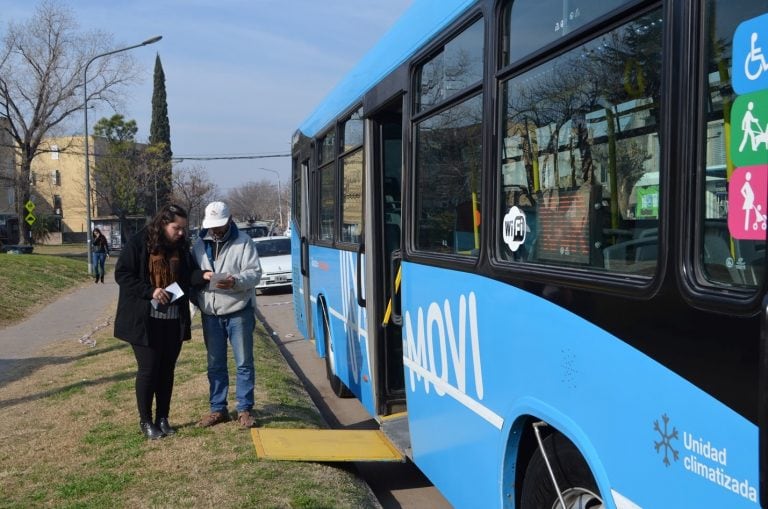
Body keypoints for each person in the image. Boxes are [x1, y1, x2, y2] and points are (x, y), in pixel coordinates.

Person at [114, 204, 204, 440]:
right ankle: (146, 422)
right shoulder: (138, 243)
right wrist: (150, 291)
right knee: (149, 370)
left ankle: (163, 418)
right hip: (144, 321)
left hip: (173, 320)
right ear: (163, 223)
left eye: (184, 228)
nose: (181, 233)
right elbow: (122, 274)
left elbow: (187, 276)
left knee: (167, 371)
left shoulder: (181, 247)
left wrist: (203, 276)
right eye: (177, 228)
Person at [192, 201, 262, 428]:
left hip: (238, 311)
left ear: (230, 219)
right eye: (213, 226)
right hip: (210, 312)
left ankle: (244, 409)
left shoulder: (244, 242)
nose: (216, 230)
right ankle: (217, 408)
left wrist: (236, 281)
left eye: (220, 225)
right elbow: (193, 273)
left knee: (243, 362)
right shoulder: (199, 244)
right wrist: (201, 277)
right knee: (215, 364)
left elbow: (255, 274)